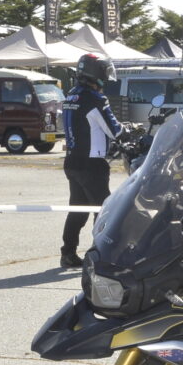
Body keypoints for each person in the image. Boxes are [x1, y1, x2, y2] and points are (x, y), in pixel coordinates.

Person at [60, 53, 124, 268]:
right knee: (104, 210)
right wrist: (130, 131)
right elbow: (113, 129)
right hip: (92, 164)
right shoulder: (95, 99)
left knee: (77, 209)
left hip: (72, 162)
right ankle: (101, 254)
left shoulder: (72, 95)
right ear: (95, 74)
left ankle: (68, 252)